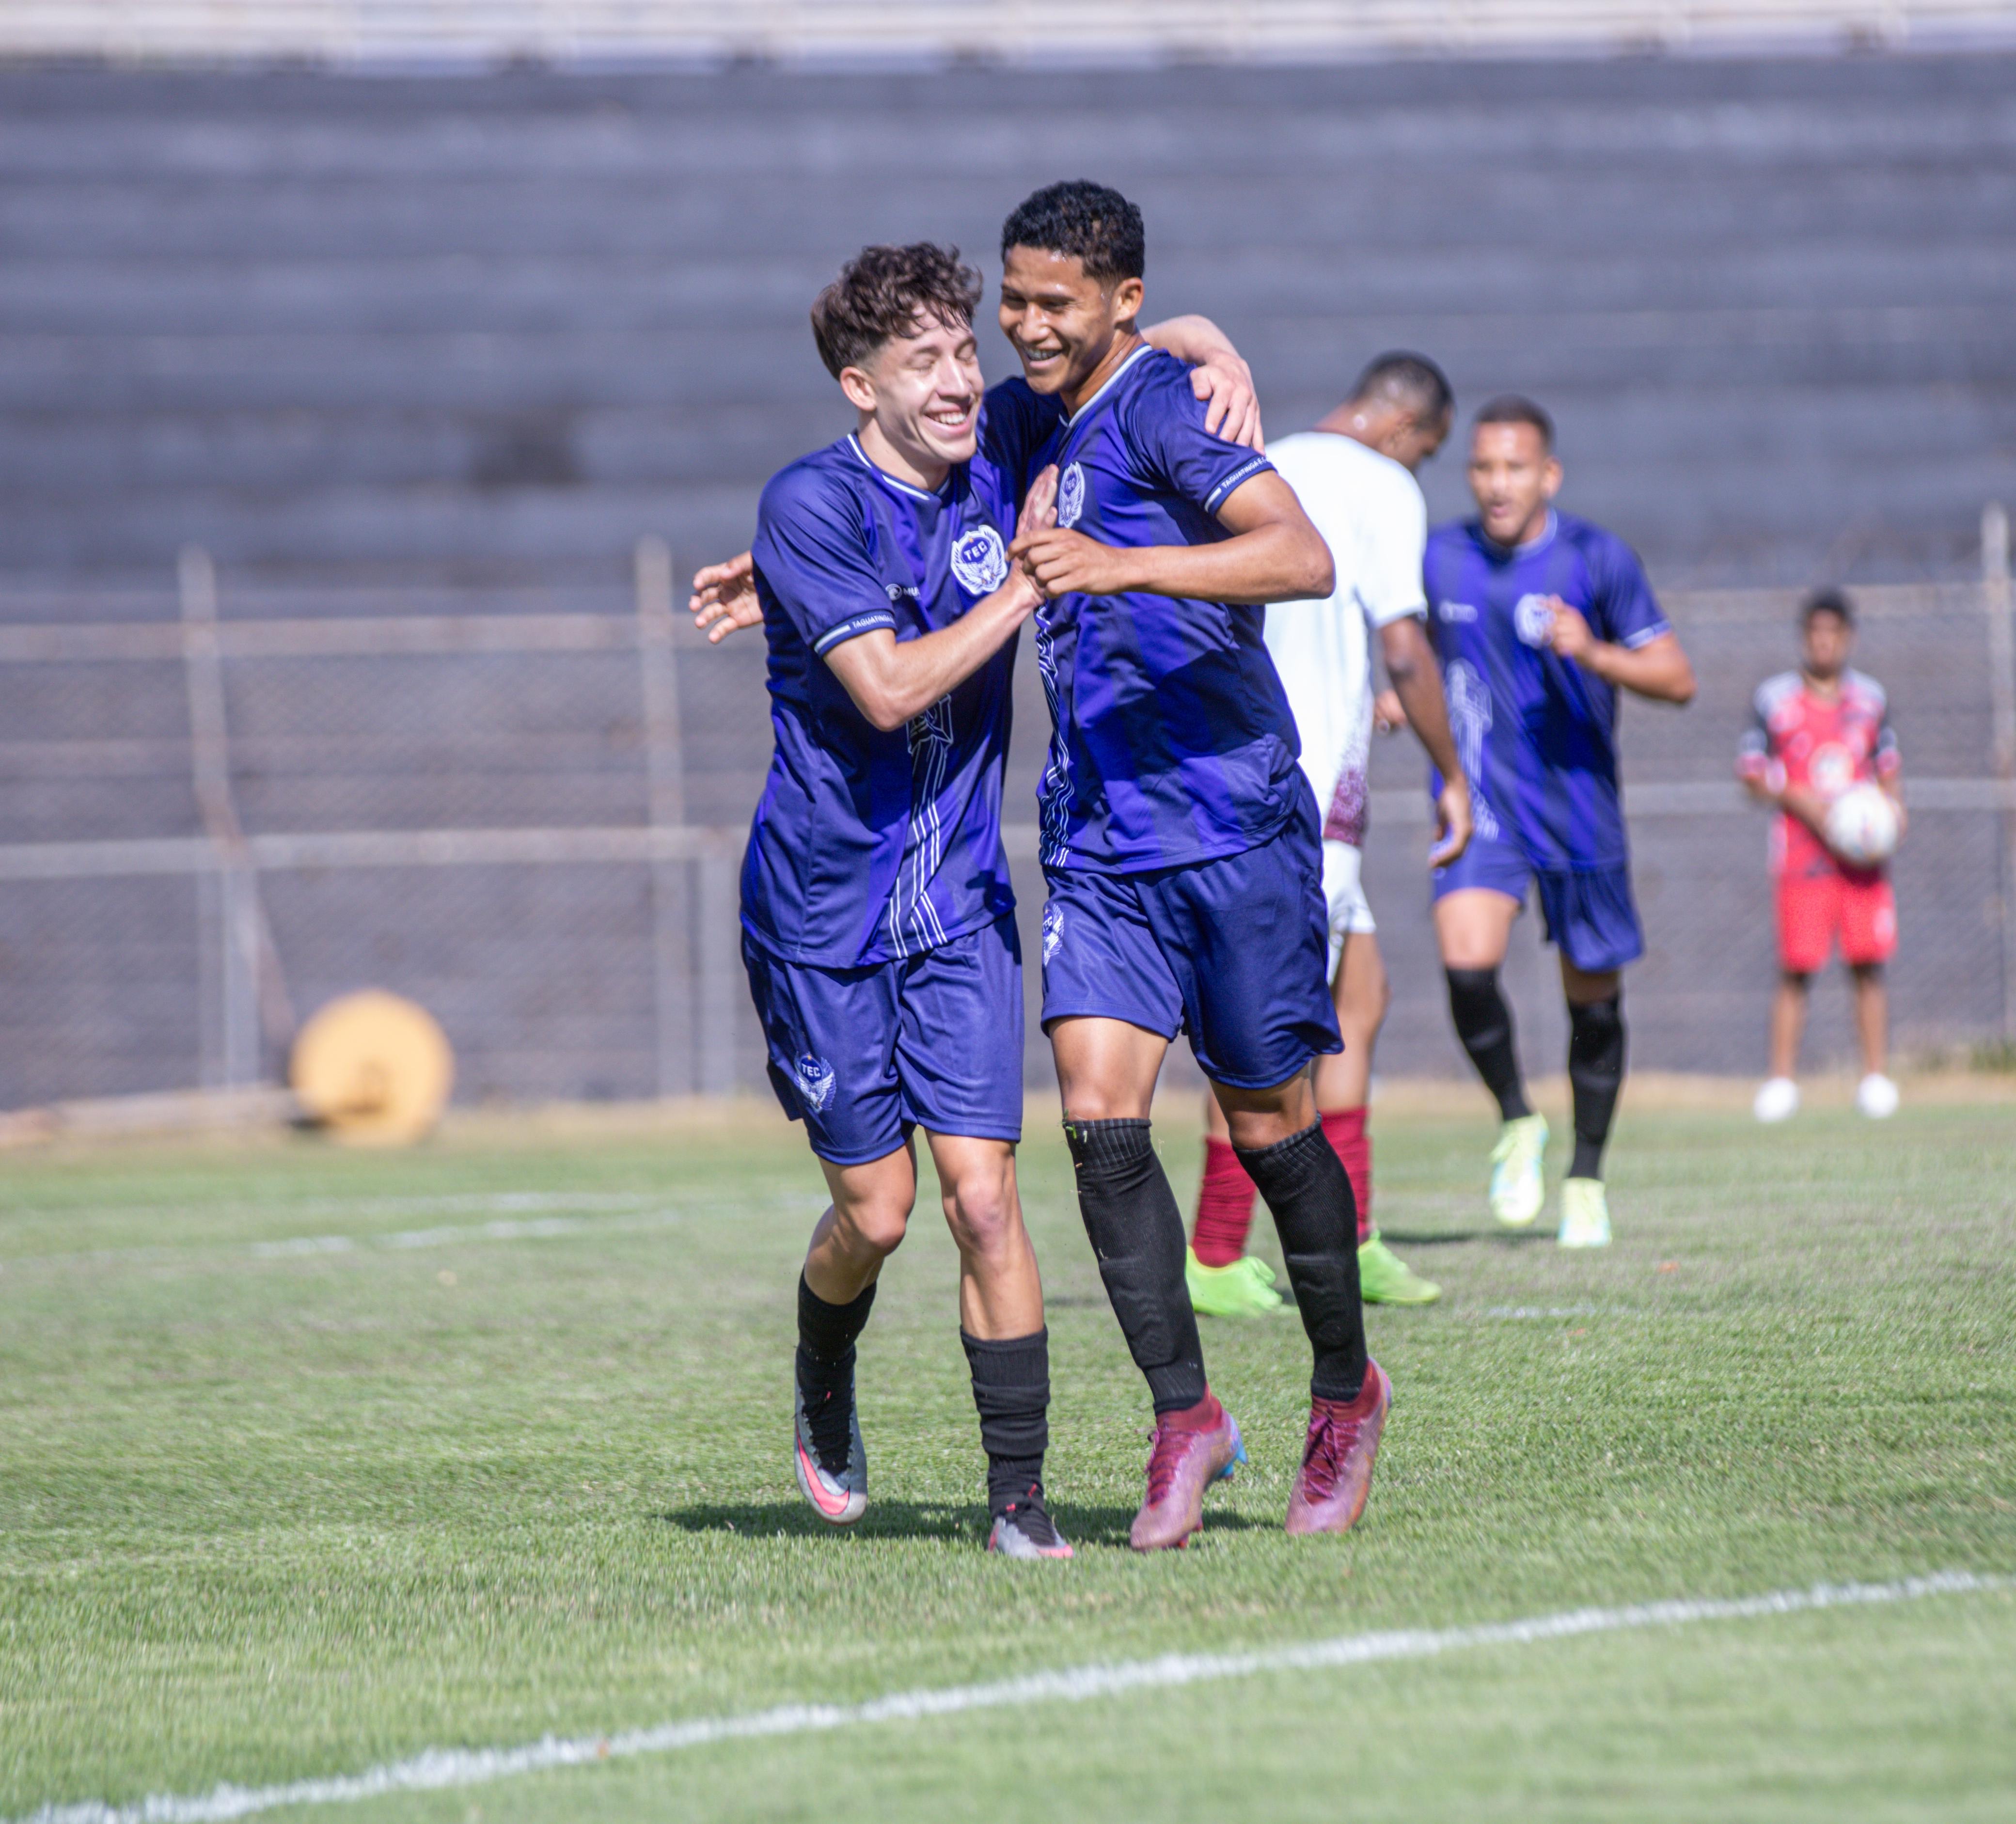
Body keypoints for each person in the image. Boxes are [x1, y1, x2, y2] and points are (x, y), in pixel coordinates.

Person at [693, 242, 1262, 1556]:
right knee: (877, 1214)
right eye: (924, 362)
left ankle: (1019, 1502)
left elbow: (1116, 340)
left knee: (986, 1198)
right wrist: (1025, 578)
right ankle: (822, 1363)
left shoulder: (1000, 437)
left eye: (966, 350)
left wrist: (1208, 340)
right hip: (822, 913)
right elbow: (890, 690)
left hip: (956, 903)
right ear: (858, 385)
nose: (963, 381)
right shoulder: (808, 506)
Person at [997, 181, 1390, 1550]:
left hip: (1232, 824)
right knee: (1101, 1119)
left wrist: (1120, 565)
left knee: (1272, 1125)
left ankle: (1343, 1389)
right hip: (1104, 842)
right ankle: (1187, 1415)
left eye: (1055, 303)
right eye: (1015, 298)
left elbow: (1303, 557)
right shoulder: (1026, 415)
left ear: (1119, 303)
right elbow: (912, 471)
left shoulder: (1167, 406)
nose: (1025, 325)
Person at [1184, 351, 1472, 1318]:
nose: (1419, 468)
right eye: (1428, 452)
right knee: (1272, 1030)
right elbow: (1403, 640)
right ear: (1404, 432)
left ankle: (1355, 1237)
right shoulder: (1382, 484)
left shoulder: (1261, 457)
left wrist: (1367, 694)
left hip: (1246, 768)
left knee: (1363, 993)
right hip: (1302, 796)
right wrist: (1454, 773)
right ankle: (1217, 1253)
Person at [1424, 395, 1696, 1249]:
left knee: (1595, 1004)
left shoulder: (1595, 557)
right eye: (1483, 467)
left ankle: (1585, 1176)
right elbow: (1417, 657)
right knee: (1466, 962)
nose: (1497, 484)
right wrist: (1403, 702)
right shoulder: (1440, 557)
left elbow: (1677, 677)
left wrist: (1596, 651)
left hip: (1581, 817)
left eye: (1514, 467)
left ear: (1548, 474)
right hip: (1486, 809)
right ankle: (1516, 1118)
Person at [1737, 588, 1905, 1122]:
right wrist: (1800, 800)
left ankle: (1874, 1078)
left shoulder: (1870, 700)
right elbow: (1750, 773)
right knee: (1796, 968)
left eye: (1833, 633)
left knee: (1867, 965)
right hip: (1801, 858)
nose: (1824, 643)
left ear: (1847, 638)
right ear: (1805, 638)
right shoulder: (1774, 700)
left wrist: (1892, 815)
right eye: (1815, 633)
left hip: (1860, 862)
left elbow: (1888, 771)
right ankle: (1781, 1081)